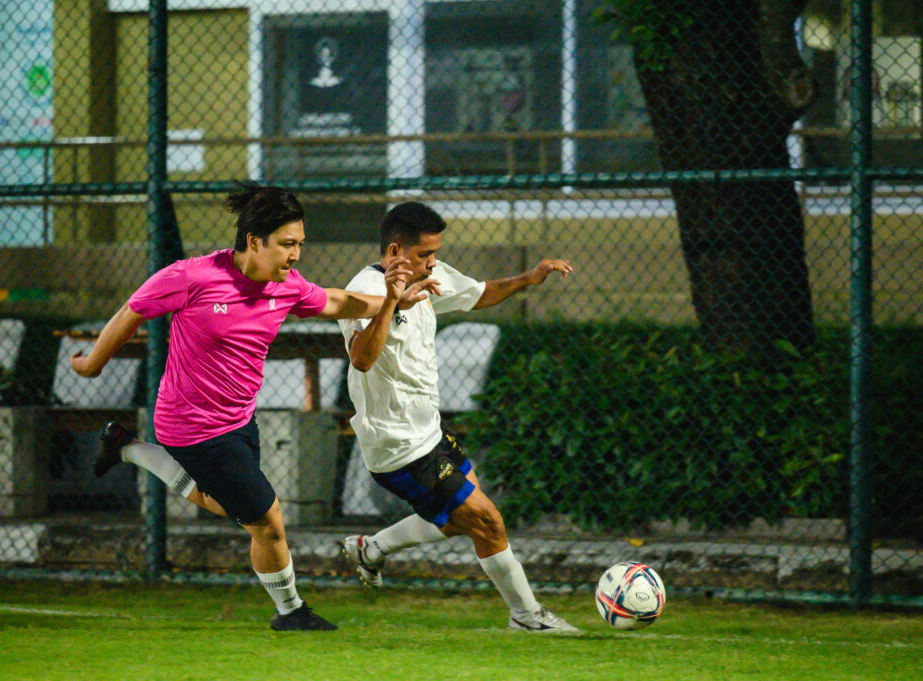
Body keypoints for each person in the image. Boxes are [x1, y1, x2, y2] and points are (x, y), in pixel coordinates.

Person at [71, 183, 433, 631]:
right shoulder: (193, 277)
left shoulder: (287, 287)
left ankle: (127, 448)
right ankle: (291, 613)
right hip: (190, 425)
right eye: (286, 244)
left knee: (227, 504)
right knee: (267, 520)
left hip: (240, 421)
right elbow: (132, 311)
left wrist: (395, 299)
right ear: (254, 241)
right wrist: (91, 365)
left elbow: (339, 301)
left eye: (300, 244)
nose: (296, 254)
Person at [338, 201, 578, 633]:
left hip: (428, 432)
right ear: (395, 252)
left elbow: (478, 293)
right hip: (397, 445)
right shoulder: (364, 291)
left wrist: (529, 278)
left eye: (434, 253)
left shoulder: (429, 275)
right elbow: (361, 359)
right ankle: (527, 615)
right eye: (425, 254)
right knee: (487, 521)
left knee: (457, 518)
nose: (433, 262)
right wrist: (392, 302)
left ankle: (371, 549)